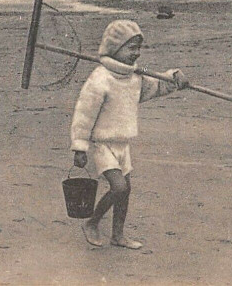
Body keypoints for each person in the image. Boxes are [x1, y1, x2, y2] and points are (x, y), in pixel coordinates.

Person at [71, 20, 189, 249]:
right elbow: (84, 115)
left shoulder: (135, 78)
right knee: (119, 187)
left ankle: (117, 235)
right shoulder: (100, 79)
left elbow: (154, 88)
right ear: (114, 48)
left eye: (138, 48)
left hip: (123, 143)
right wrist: (79, 146)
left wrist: (174, 78)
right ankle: (92, 223)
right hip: (103, 144)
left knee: (126, 192)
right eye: (130, 47)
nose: (136, 53)